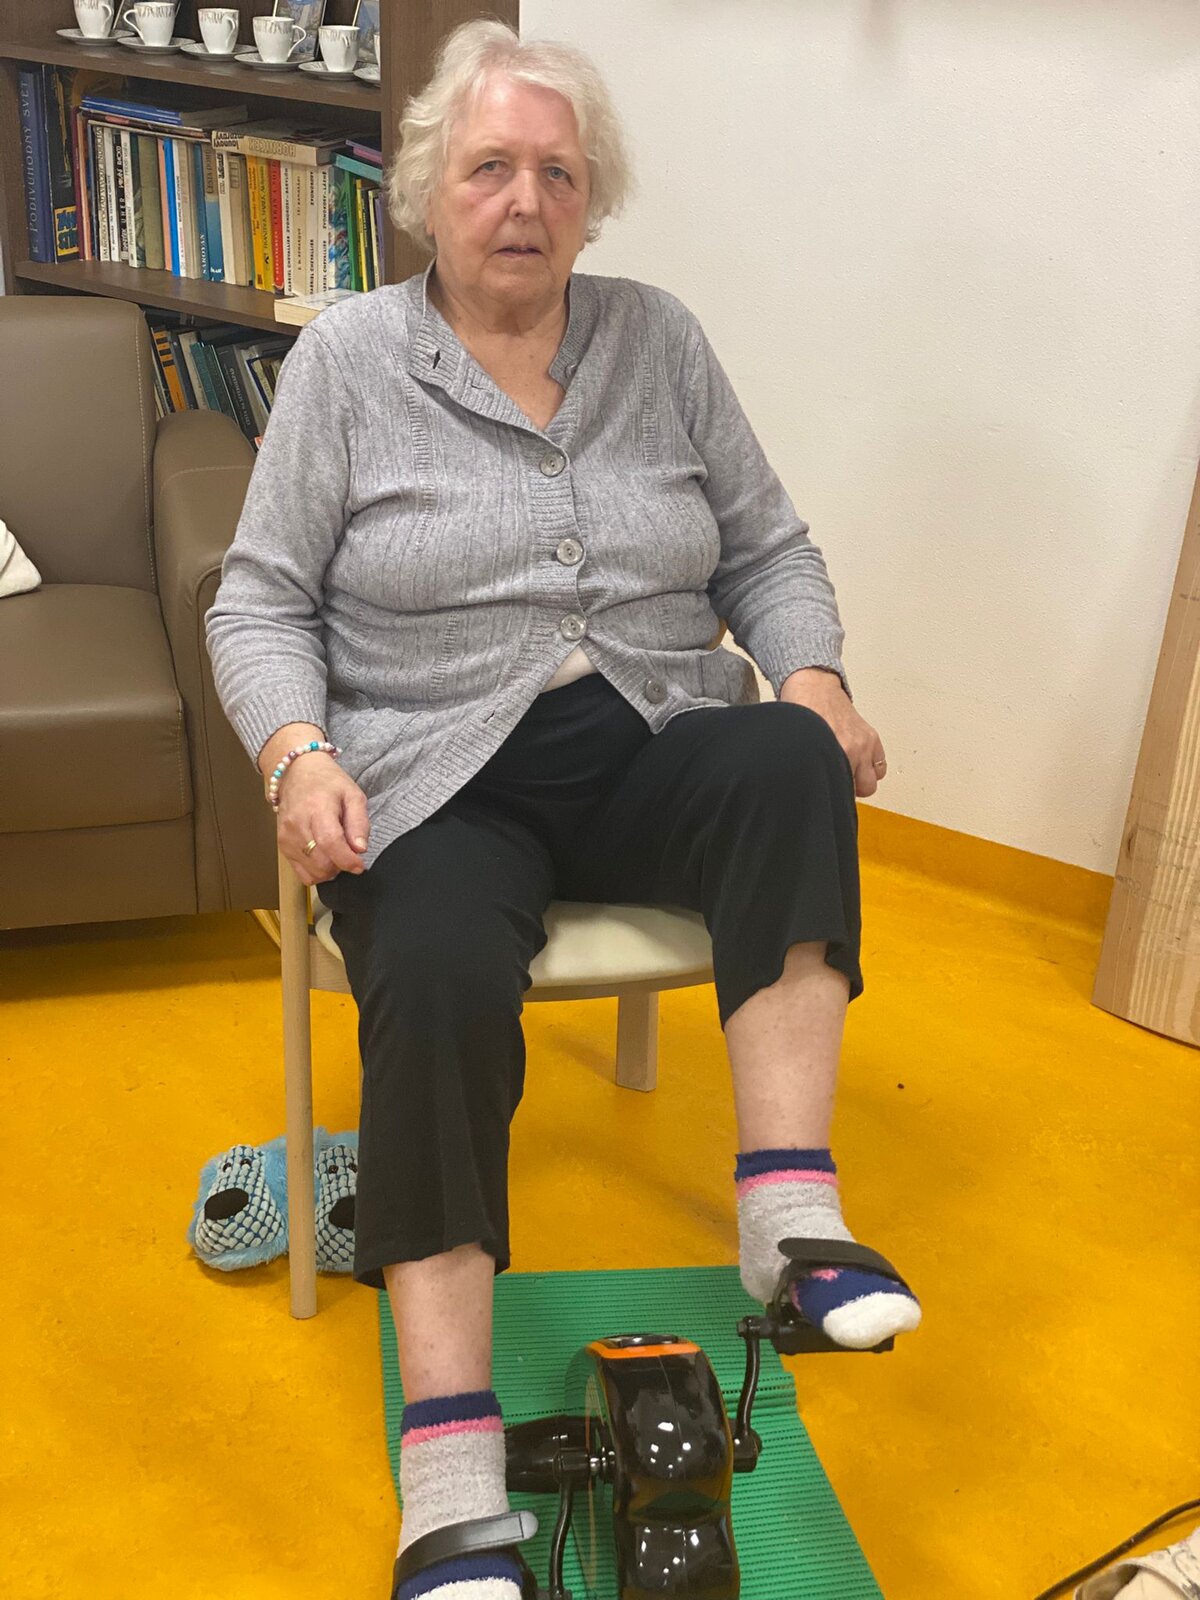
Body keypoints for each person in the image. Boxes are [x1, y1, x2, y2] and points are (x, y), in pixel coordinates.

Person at [206, 18, 921, 1599]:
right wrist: (300, 755)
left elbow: (769, 548)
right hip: (432, 769)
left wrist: (813, 676)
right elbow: (258, 601)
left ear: (592, 203)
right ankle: (451, 1466)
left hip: (651, 731)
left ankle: (791, 1225)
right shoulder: (349, 362)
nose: (522, 199)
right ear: (427, 195)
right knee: (439, 965)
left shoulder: (660, 340)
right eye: (488, 168)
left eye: (556, 172)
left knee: (788, 759)